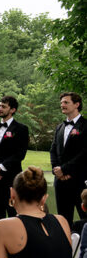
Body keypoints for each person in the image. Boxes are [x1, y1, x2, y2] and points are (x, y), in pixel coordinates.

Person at [0, 95, 30, 221]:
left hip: (12, 178)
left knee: (13, 212)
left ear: (12, 110)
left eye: (3, 106)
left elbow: (20, 154)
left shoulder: (21, 129)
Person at [50, 92, 87, 229]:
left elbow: (84, 153)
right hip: (60, 182)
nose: (62, 105)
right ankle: (65, 249)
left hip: (79, 180)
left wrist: (65, 169)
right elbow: (53, 150)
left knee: (85, 219)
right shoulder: (60, 127)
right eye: (61, 103)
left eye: (66, 102)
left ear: (77, 104)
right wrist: (57, 170)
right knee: (63, 221)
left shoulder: (86, 126)